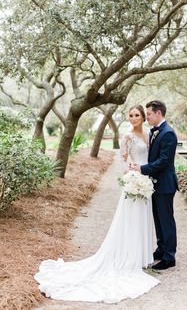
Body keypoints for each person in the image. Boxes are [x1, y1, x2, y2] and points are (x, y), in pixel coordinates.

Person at [34, 105, 160, 304]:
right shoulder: (127, 137)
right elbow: (125, 161)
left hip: (146, 182)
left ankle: (142, 257)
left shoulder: (149, 135)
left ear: (144, 117)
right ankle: (128, 259)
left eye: (137, 115)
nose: (133, 118)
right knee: (130, 220)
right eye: (131, 115)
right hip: (134, 182)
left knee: (143, 218)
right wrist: (132, 177)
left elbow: (152, 158)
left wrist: (145, 176)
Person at [131, 100, 178, 270]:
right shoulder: (155, 132)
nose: (147, 117)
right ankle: (161, 248)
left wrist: (142, 169)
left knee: (166, 220)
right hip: (155, 184)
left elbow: (164, 162)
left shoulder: (168, 133)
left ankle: (169, 257)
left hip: (165, 184)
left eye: (149, 114)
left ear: (158, 113)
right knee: (158, 219)